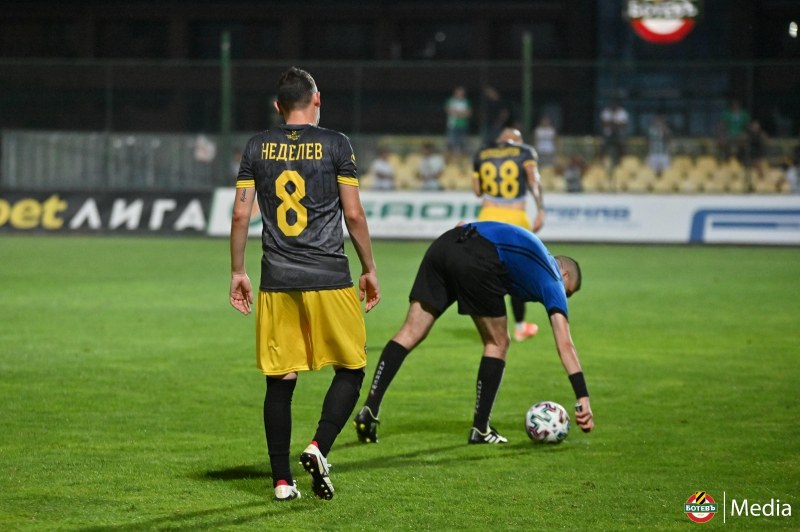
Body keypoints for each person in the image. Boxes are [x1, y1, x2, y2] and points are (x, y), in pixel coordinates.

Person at [229, 67, 380, 502]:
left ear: (278, 106)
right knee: (351, 368)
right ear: (317, 100)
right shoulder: (336, 144)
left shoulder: (256, 146)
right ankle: (318, 446)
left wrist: (238, 272)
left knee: (281, 378)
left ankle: (281, 481)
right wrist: (369, 267)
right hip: (330, 275)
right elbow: (354, 214)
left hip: (277, 279)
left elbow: (240, 214)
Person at [352, 221, 595, 445]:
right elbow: (565, 344)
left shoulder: (532, 253)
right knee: (498, 342)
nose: (565, 298)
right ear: (565, 275)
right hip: (478, 257)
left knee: (410, 331)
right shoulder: (553, 278)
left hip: (446, 244)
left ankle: (369, 409)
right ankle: (480, 429)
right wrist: (582, 396)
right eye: (568, 292)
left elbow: (465, 226)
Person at [473, 127, 545, 342]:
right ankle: (520, 327)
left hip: (487, 216)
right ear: (517, 140)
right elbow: (534, 181)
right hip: (515, 218)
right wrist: (541, 209)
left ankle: (490, 327)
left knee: (488, 274)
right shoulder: (525, 152)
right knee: (516, 275)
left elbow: (477, 191)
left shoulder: (482, 153)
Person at [444, 86, 472, 159]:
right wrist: (462, 113)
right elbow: (449, 111)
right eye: (459, 93)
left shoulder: (466, 102)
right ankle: (452, 158)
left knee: (462, 143)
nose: (460, 94)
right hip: (453, 125)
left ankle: (461, 158)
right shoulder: (451, 101)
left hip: (463, 125)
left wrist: (456, 113)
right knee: (452, 143)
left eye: (462, 93)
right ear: (455, 93)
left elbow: (468, 114)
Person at [600, 99, 629, 167]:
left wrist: (611, 124)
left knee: (623, 147)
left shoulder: (622, 112)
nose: (613, 105)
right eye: (612, 104)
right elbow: (603, 124)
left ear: (617, 105)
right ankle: (601, 162)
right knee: (602, 147)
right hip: (608, 134)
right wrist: (616, 124)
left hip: (619, 134)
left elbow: (623, 125)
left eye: (615, 104)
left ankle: (623, 162)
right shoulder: (606, 111)